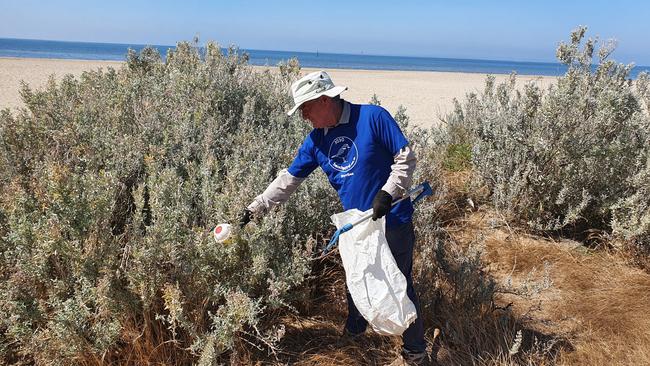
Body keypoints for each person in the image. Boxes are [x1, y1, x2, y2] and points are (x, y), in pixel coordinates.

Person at [240, 70, 429, 366]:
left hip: (392, 222)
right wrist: (255, 208)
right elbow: (289, 180)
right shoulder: (316, 141)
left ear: (325, 99)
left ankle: (415, 351)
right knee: (356, 279)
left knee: (400, 284)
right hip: (356, 226)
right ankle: (355, 336)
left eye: (305, 108)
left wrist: (388, 192)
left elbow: (405, 157)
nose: (303, 116)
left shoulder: (373, 118)